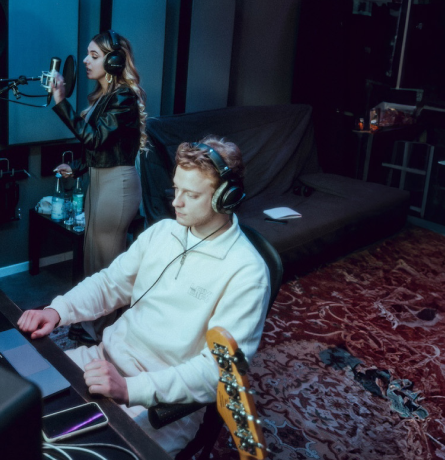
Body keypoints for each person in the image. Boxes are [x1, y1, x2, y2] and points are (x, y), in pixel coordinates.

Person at [18, 137, 271, 455]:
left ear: (226, 198)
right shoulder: (162, 233)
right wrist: (58, 311)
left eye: (191, 195)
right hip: (102, 362)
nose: (177, 202)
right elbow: (110, 284)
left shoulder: (247, 272)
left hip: (163, 403)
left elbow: (216, 373)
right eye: (176, 189)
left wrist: (129, 388)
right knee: (14, 403)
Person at [49, 30, 149, 344]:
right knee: (93, 258)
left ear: (115, 61)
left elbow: (93, 138)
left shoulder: (123, 98)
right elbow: (104, 147)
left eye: (94, 55)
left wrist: (61, 102)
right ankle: (94, 324)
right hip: (99, 180)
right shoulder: (104, 97)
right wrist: (77, 168)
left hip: (117, 187)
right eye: (87, 54)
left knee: (108, 263)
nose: (85, 60)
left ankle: (109, 333)